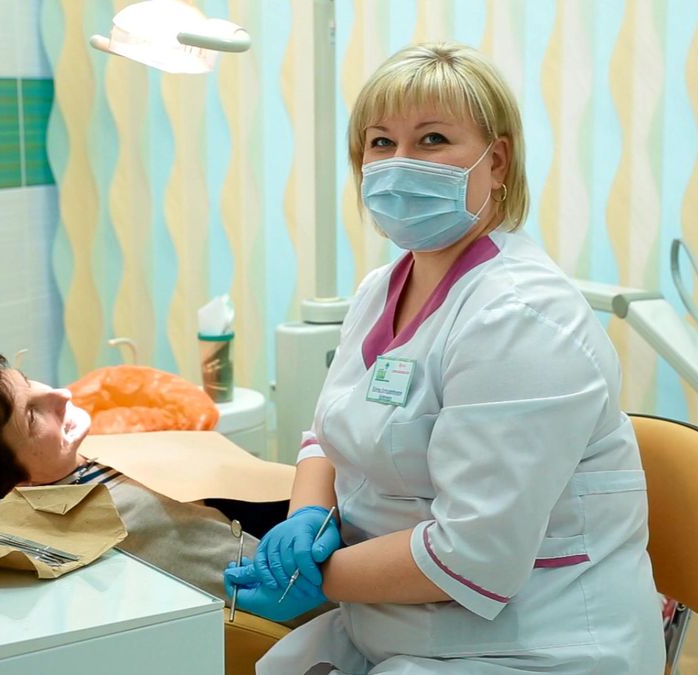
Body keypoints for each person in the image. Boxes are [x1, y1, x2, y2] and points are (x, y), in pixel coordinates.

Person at [224, 42, 665, 673]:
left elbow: (472, 555)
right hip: (388, 627)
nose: (400, 162)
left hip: (528, 647)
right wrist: (308, 518)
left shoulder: (518, 318)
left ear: (497, 162)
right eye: (381, 142)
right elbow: (328, 434)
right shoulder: (382, 288)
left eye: (432, 139)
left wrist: (316, 577)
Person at [0, 338, 285, 605]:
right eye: (32, 415)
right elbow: (286, 590)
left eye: (28, 380)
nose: (62, 393)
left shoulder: (71, 466)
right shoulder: (124, 517)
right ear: (18, 484)